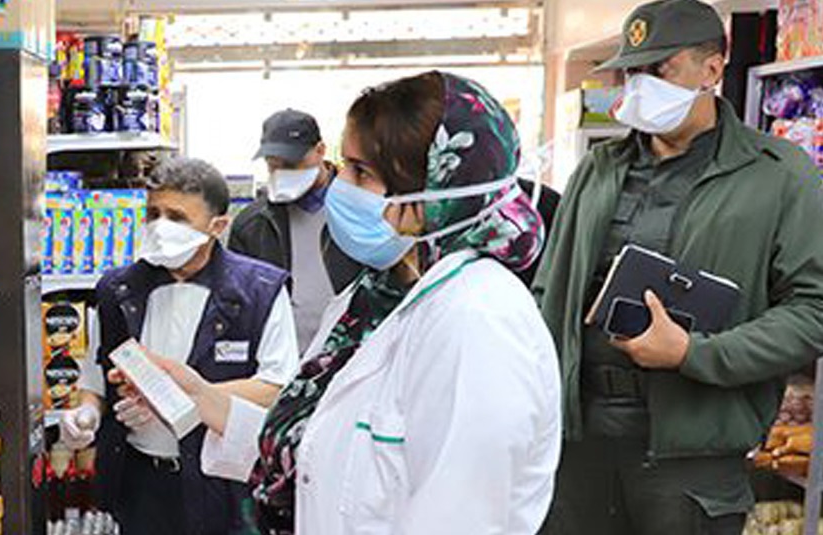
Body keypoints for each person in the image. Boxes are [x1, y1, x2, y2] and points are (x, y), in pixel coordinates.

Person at [113, 72, 562, 534]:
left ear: (434, 193)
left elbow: (462, 519)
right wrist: (198, 396)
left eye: (360, 172)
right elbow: (317, 453)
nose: (338, 186)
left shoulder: (478, 323)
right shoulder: (372, 301)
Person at [534, 1, 823, 533]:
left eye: (659, 69)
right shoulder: (597, 170)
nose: (640, 85)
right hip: (579, 447)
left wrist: (695, 353)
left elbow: (812, 311)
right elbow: (550, 289)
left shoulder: (778, 176)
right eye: (633, 72)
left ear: (712, 68)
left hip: (692, 459)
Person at [58, 157, 301, 535]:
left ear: (217, 226)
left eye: (177, 217)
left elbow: (276, 387)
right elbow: (95, 378)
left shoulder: (260, 291)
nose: (160, 228)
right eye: (153, 214)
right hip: (140, 484)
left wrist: (173, 399)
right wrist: (84, 416)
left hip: (223, 484)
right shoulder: (117, 290)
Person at [229, 109, 362, 353]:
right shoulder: (252, 225)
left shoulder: (361, 209)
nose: (282, 174)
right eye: (273, 166)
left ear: (320, 150)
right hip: (283, 358)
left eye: (291, 165)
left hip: (353, 352)